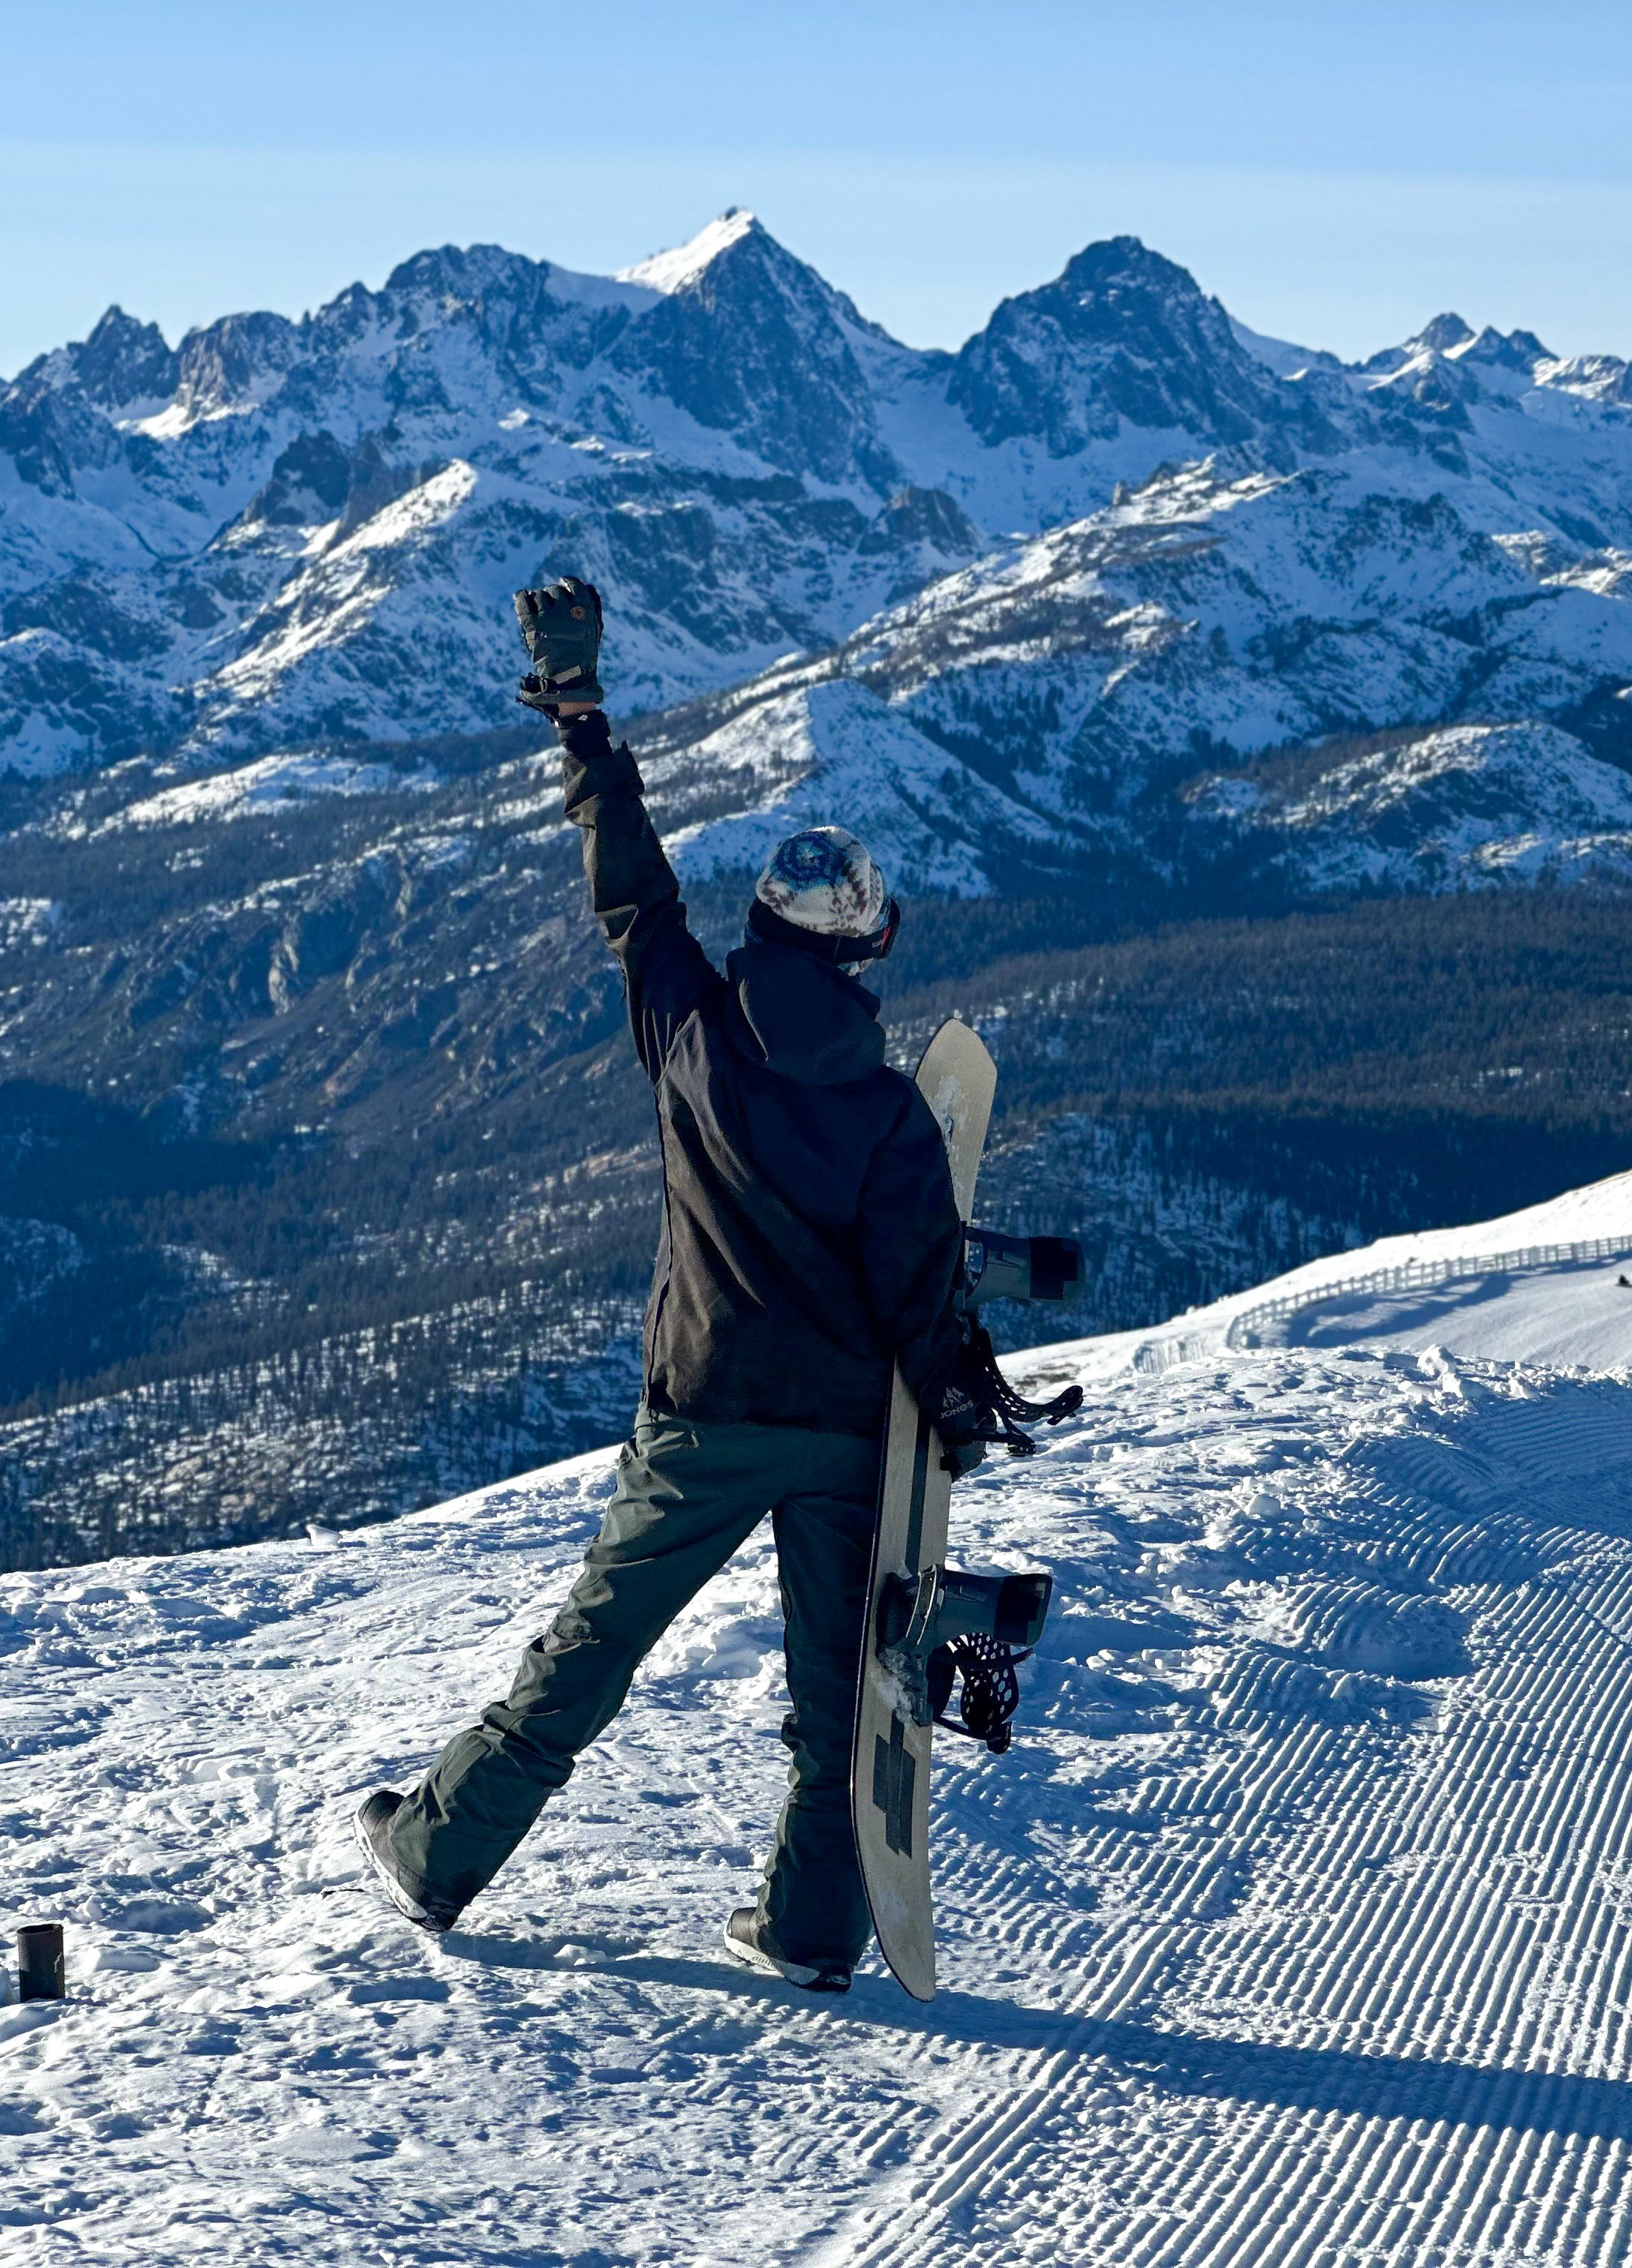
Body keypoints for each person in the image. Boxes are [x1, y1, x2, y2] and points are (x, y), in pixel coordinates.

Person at [352, 579, 1024, 1991]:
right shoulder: (899, 1120)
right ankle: (811, 1928)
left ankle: (438, 1853)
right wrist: (959, 1408)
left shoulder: (692, 1033)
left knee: (589, 1654)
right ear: (862, 952)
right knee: (839, 1702)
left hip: (700, 1411)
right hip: (849, 1437)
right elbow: (919, 1302)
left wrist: (583, 723)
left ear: (770, 933)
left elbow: (632, 892)